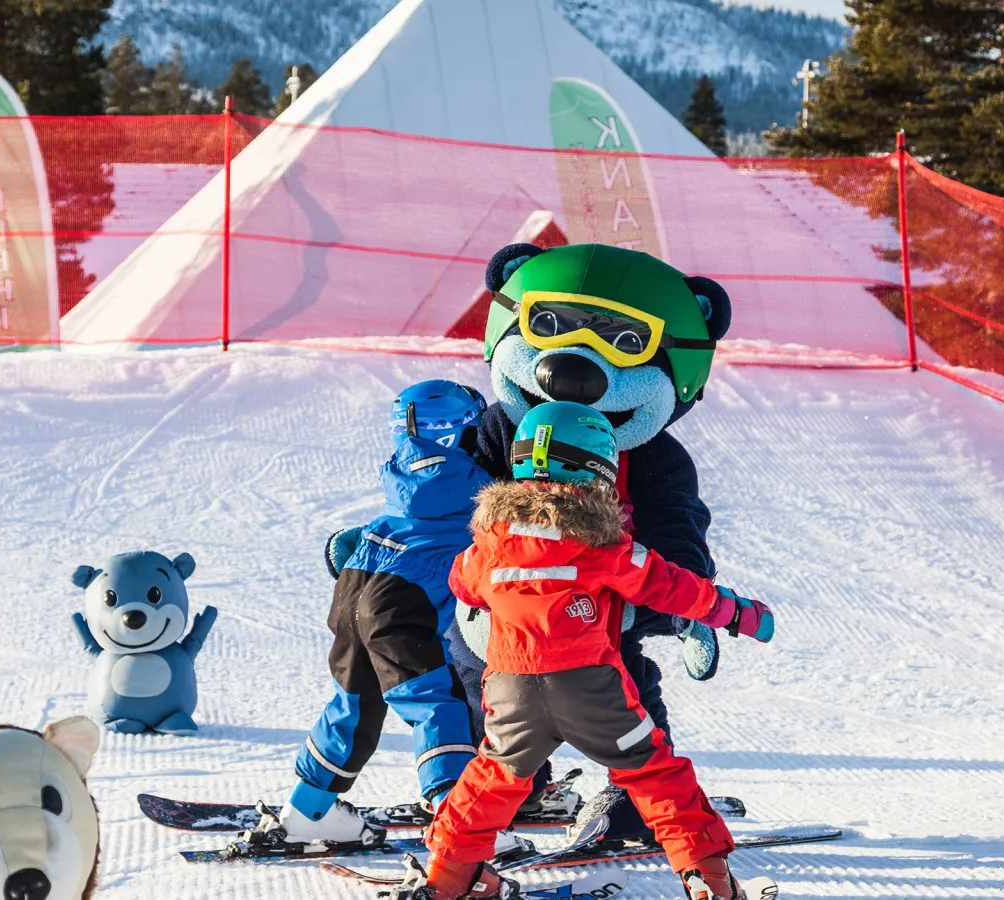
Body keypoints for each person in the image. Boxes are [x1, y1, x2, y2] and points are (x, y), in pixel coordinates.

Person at [397, 401, 776, 900]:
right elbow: (671, 586)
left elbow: (463, 584)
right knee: (652, 771)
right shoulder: (602, 542)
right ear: (598, 466)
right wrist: (735, 612)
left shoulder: (487, 541)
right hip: (591, 687)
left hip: (511, 693)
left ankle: (447, 879)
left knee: (492, 779)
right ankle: (709, 881)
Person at [248, 380, 500, 848]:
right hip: (402, 603)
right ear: (457, 432)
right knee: (435, 703)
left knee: (355, 704)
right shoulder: (477, 485)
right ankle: (461, 824)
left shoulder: (402, 475)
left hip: (354, 587)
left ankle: (307, 809)